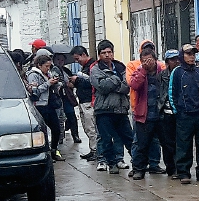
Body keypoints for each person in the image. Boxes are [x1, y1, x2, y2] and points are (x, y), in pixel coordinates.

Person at [170, 44, 199, 184]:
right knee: (184, 145)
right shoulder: (177, 72)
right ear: (182, 56)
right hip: (184, 115)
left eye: (193, 54)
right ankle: (183, 172)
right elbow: (172, 92)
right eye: (188, 54)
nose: (192, 57)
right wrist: (177, 111)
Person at [90, 40, 134, 173]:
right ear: (99, 55)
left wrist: (112, 83)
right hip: (104, 110)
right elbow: (102, 87)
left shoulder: (120, 67)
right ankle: (111, 163)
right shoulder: (95, 69)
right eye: (104, 53)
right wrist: (116, 79)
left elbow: (127, 86)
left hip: (121, 109)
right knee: (106, 139)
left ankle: (137, 163)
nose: (107, 55)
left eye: (109, 52)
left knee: (129, 138)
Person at [127, 45, 169, 179]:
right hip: (144, 114)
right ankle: (139, 169)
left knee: (167, 143)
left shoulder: (162, 70)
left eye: (150, 59)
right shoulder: (138, 72)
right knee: (141, 144)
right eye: (144, 60)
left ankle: (170, 168)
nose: (147, 63)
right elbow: (134, 85)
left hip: (161, 114)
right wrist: (143, 71)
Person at [26, 50, 64, 161]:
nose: (48, 68)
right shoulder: (33, 75)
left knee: (56, 129)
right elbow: (35, 92)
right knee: (42, 131)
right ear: (39, 65)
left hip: (49, 104)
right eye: (46, 66)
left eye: (49, 66)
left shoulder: (48, 74)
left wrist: (56, 83)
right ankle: (45, 154)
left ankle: (54, 151)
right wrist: (48, 83)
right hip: (39, 105)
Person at [70, 46, 98, 161]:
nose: (77, 62)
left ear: (83, 54)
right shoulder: (85, 68)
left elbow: (92, 83)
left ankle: (96, 151)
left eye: (78, 59)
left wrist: (77, 80)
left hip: (89, 102)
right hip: (83, 101)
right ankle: (93, 150)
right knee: (87, 127)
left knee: (91, 127)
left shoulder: (93, 67)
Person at [160, 49, 180, 175]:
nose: (176, 62)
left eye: (178, 59)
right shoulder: (161, 76)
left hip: (180, 113)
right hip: (166, 113)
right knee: (167, 143)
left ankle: (179, 168)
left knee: (180, 142)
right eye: (173, 60)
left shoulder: (182, 74)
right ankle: (171, 168)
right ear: (167, 62)